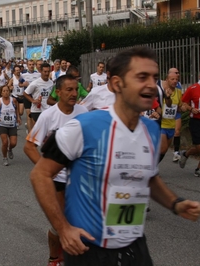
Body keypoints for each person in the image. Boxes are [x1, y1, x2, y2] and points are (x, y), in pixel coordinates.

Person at [29, 46, 200, 265]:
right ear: (118, 83)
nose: (151, 84)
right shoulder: (82, 127)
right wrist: (63, 229)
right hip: (89, 249)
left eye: (154, 77)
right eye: (141, 77)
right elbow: (40, 175)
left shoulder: (151, 130)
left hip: (134, 246)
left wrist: (175, 203)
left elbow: (148, 176)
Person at [24, 74, 88, 266]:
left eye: (76, 89)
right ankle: (54, 258)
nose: (74, 93)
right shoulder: (48, 116)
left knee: (81, 221)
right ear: (57, 92)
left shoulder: (84, 113)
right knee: (60, 224)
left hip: (80, 179)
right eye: (69, 90)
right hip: (58, 180)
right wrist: (47, 171)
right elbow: (29, 146)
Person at [0, 85, 21, 166]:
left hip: (12, 124)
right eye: (4, 91)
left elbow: (16, 110)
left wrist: (18, 118)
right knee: (5, 142)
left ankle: (10, 149)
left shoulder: (14, 100)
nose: (6, 92)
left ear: (9, 92)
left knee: (13, 143)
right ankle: (5, 157)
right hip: (2, 124)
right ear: (1, 93)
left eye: (7, 90)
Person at [179, 80, 200, 176]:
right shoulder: (193, 88)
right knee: (198, 147)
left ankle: (198, 169)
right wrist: (191, 109)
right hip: (196, 121)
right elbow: (183, 103)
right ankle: (186, 154)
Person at [159, 72, 181, 163]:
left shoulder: (179, 92)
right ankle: (151, 170)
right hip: (161, 124)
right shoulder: (161, 92)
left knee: (164, 151)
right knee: (162, 148)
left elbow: (179, 107)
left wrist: (185, 107)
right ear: (167, 80)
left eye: (176, 79)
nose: (175, 81)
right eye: (172, 79)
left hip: (171, 125)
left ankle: (153, 167)